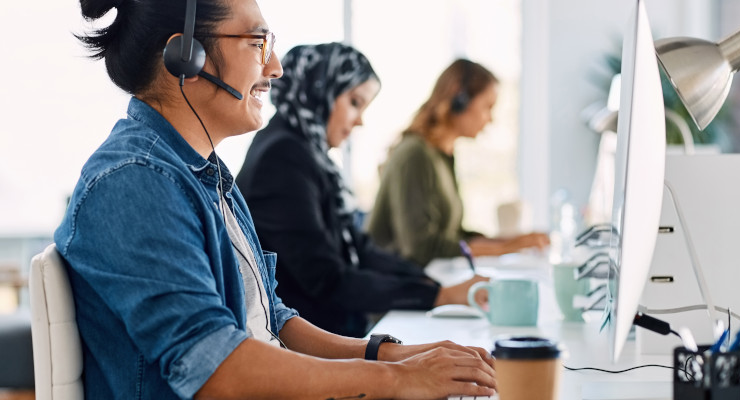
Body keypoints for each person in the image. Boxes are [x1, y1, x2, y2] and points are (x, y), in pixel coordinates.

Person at [54, 1, 495, 398]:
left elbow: (270, 318)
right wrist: (398, 381)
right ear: (185, 57)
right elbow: (217, 370)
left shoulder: (203, 174)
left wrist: (391, 356)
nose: (276, 68)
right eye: (258, 42)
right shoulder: (135, 182)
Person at [236, 42, 487, 338]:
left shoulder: (306, 152)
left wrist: (430, 284)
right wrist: (437, 296)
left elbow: (359, 248)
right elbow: (328, 280)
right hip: (307, 348)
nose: (360, 121)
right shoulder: (283, 158)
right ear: (321, 91)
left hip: (329, 331)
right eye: (354, 102)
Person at [367, 59, 551, 267]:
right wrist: (505, 248)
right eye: (487, 107)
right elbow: (420, 247)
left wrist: (515, 241)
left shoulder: (442, 155)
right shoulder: (415, 154)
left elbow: (453, 235)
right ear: (459, 98)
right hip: (394, 285)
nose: (490, 119)